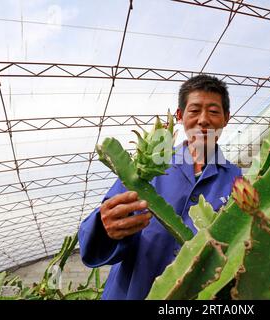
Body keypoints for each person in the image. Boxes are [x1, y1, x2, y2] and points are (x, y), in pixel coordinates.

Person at [78, 75, 242, 300]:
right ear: (180, 116)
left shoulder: (238, 181)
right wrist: (104, 227)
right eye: (194, 110)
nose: (204, 120)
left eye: (214, 111)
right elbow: (98, 231)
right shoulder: (145, 168)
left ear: (226, 118)